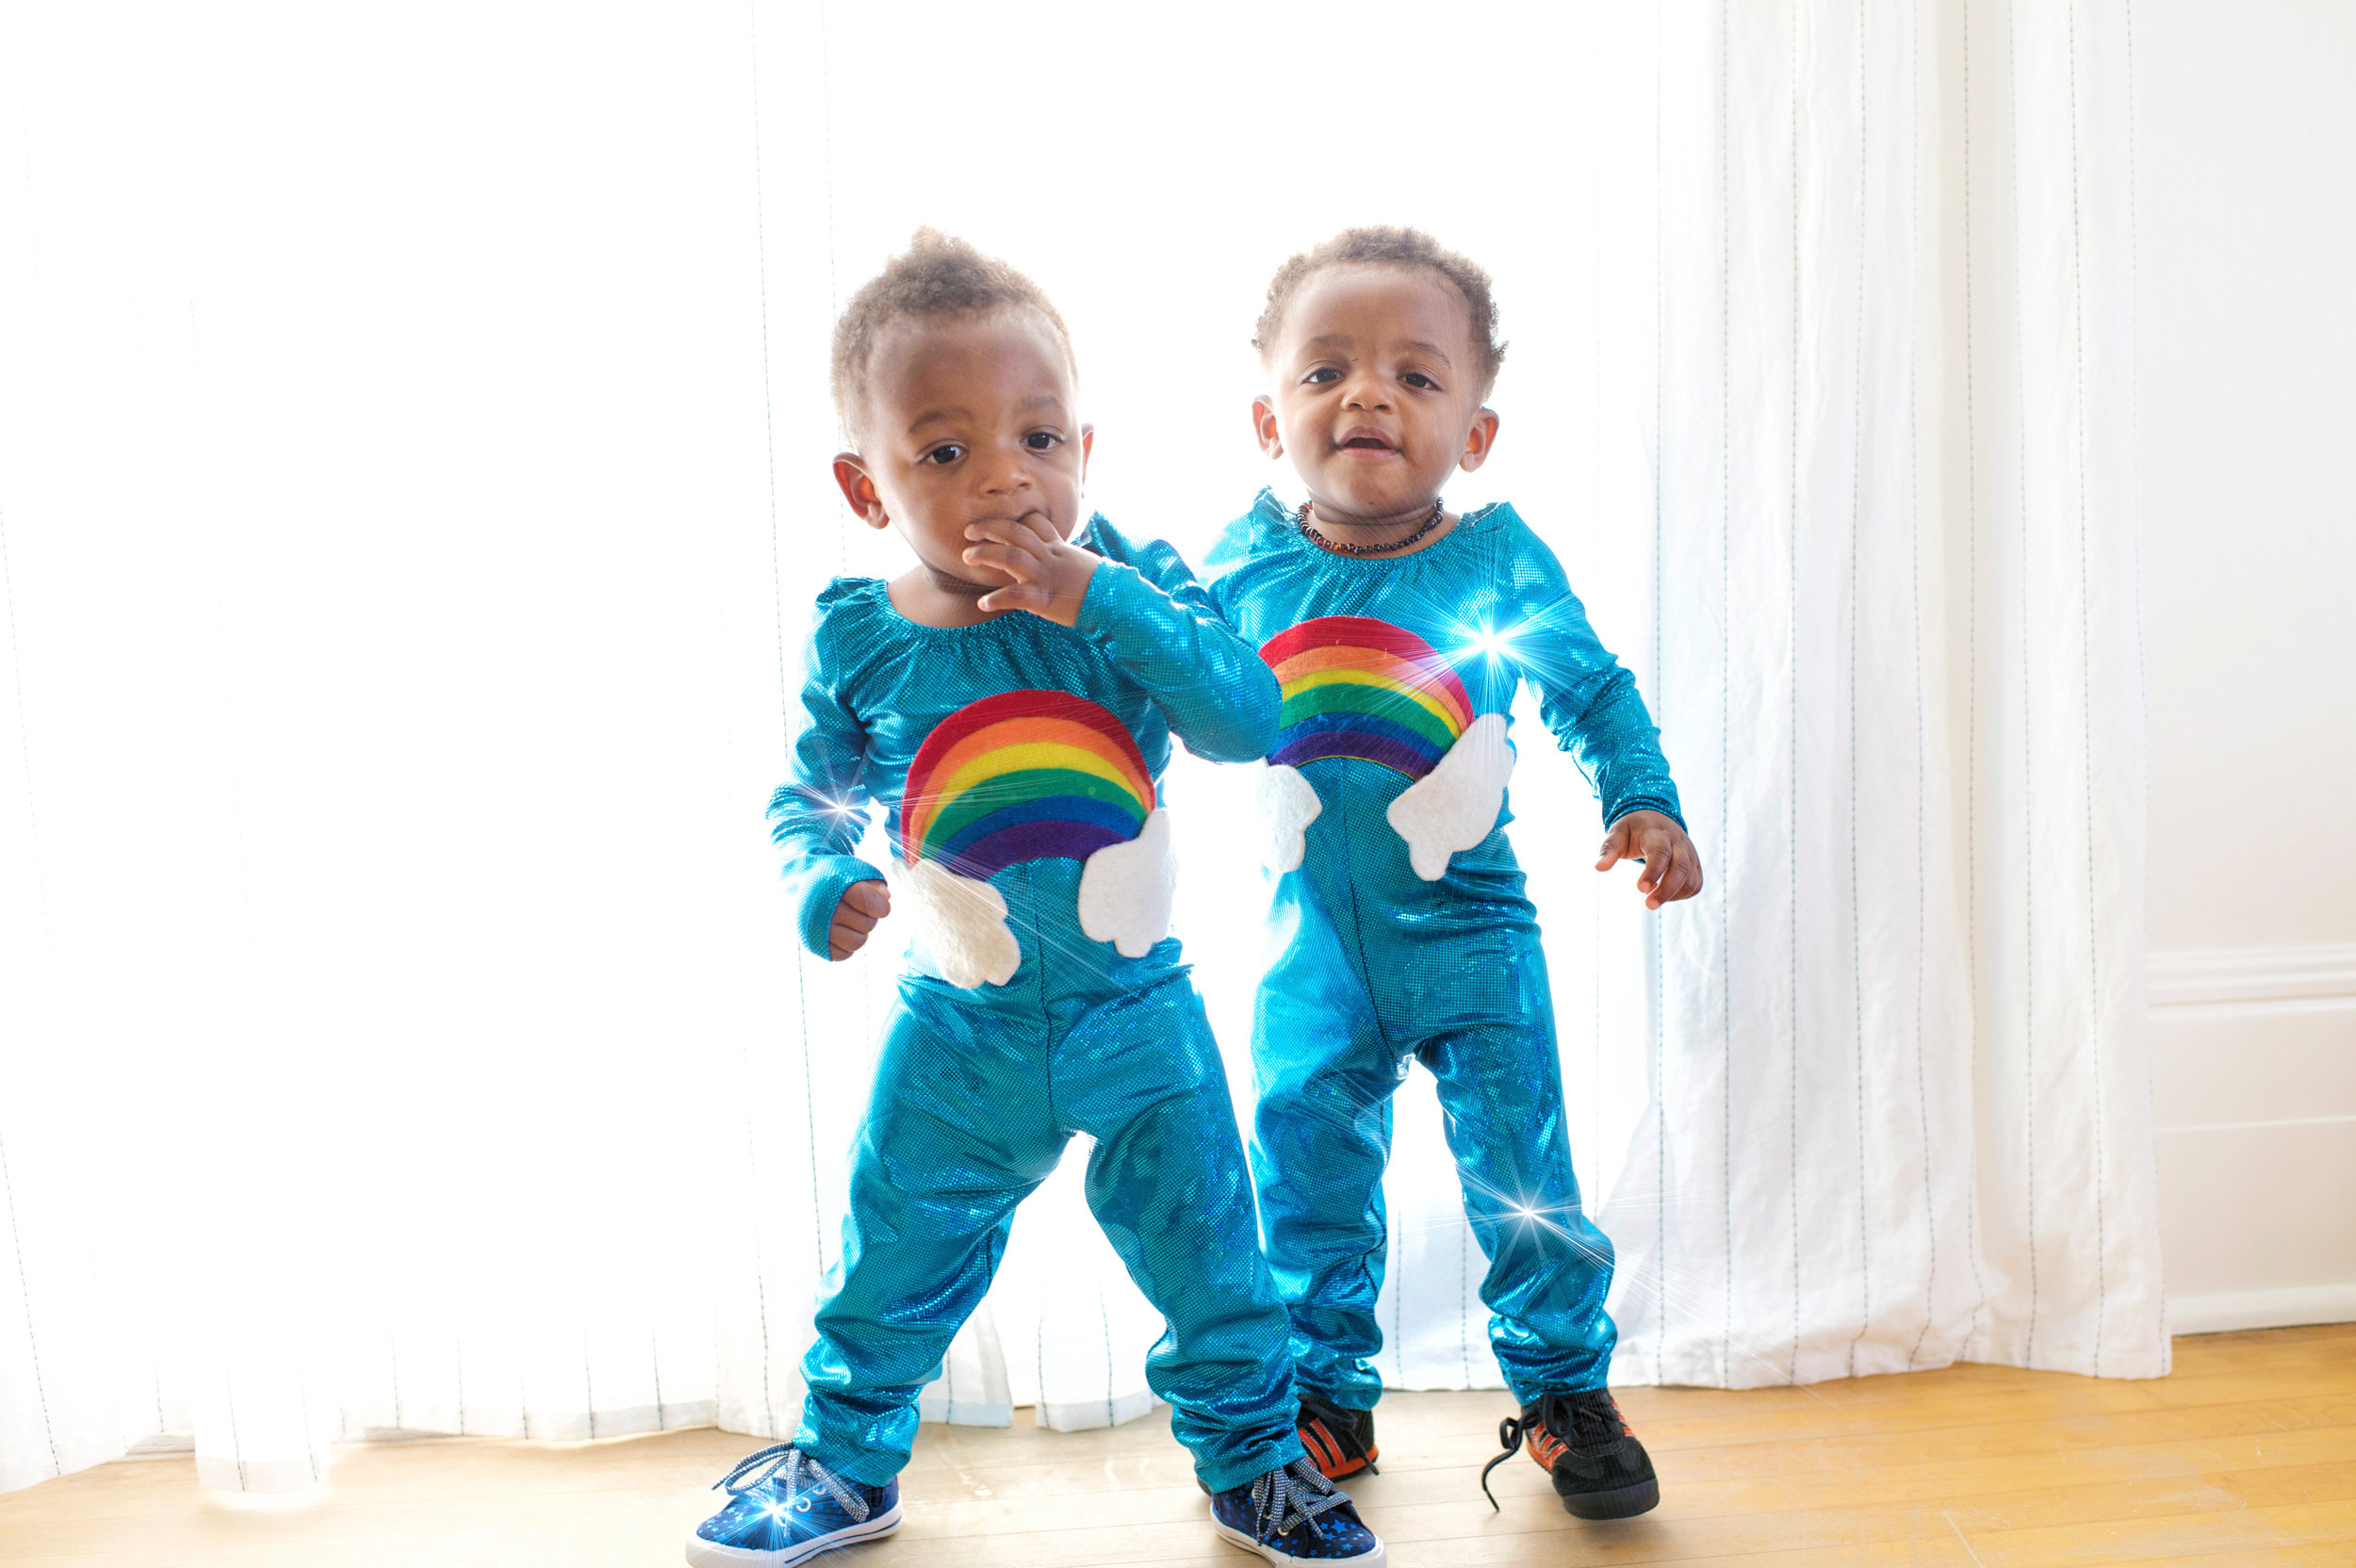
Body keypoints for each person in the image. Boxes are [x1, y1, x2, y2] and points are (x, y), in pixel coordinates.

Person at [684, 231, 1383, 1568]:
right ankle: (845, 1461)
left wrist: (1105, 602)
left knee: (1211, 1255)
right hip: (961, 1035)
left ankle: (1253, 1462)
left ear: (1085, 448)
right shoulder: (863, 636)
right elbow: (807, 800)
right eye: (944, 453)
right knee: (894, 1249)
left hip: (1140, 1020)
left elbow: (1246, 715)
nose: (1007, 476)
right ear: (863, 482)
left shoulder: (1132, 583)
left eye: (1040, 437)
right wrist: (822, 878)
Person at [1200, 226, 1704, 1522]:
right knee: (1303, 1166)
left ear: (1474, 436)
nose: (1368, 394)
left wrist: (1643, 799)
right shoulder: (1236, 568)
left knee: (1520, 1172)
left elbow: (1590, 688)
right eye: (1328, 372)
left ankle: (1562, 1390)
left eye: (1417, 378)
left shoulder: (1497, 561)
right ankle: (1326, 1397)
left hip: (1473, 940)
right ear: (1270, 416)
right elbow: (1156, 690)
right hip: (1308, 947)